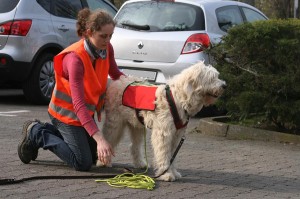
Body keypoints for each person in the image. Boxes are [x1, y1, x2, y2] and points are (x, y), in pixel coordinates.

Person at [17, 8, 124, 171]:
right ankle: (37, 133)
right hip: (64, 114)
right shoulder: (75, 60)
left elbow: (116, 75)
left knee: (96, 156)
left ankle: (52, 132)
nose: (107, 41)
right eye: (103, 36)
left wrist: (139, 85)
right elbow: (79, 105)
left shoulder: (106, 49)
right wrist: (100, 139)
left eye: (110, 36)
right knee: (83, 162)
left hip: (82, 116)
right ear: (89, 32)